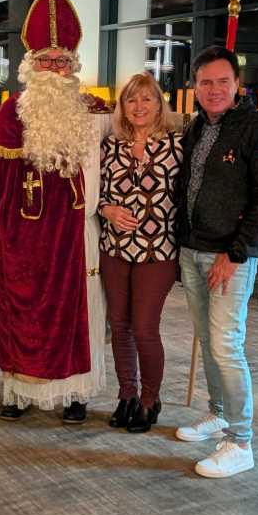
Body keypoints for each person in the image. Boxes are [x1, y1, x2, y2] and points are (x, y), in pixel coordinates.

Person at [0, 0, 108, 424]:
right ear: (30, 64)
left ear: (73, 67)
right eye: (46, 60)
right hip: (24, 235)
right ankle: (18, 393)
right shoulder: (11, 113)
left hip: (76, 235)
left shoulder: (94, 111)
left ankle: (76, 394)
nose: (54, 68)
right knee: (20, 312)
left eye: (62, 61)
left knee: (81, 311)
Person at [176, 45, 258, 477]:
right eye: (206, 82)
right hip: (192, 251)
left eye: (223, 81)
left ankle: (240, 441)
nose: (215, 89)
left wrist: (237, 253)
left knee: (226, 345)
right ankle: (218, 413)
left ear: (238, 84)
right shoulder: (196, 128)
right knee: (207, 341)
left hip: (230, 258)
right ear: (195, 88)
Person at [100, 73, 182, 432]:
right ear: (122, 106)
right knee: (119, 326)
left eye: (147, 98)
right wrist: (107, 210)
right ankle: (127, 395)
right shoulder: (111, 144)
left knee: (144, 327)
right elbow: (95, 192)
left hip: (158, 250)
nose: (139, 106)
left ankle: (150, 399)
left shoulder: (177, 145)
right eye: (131, 99)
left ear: (159, 104)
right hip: (114, 248)